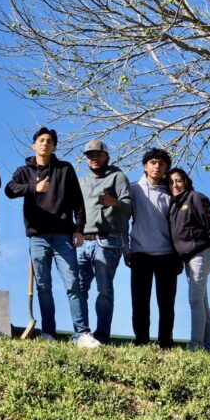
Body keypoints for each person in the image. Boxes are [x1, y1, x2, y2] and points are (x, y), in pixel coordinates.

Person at [5, 127, 101, 348]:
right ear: (34, 145)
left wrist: (79, 229)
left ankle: (81, 333)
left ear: (55, 146)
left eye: (49, 141)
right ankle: (49, 333)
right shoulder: (24, 171)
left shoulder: (64, 169)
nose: (45, 143)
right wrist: (33, 188)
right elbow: (10, 190)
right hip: (37, 236)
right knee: (44, 287)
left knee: (72, 284)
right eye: (41, 140)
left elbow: (78, 201)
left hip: (63, 235)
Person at [77, 139, 132, 344]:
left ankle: (102, 335)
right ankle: (82, 333)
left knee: (104, 290)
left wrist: (114, 203)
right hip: (83, 241)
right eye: (90, 155)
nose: (94, 158)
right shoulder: (82, 182)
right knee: (79, 288)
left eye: (98, 154)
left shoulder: (117, 177)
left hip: (107, 241)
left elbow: (129, 207)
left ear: (106, 156)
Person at [167, 168, 210, 351]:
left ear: (186, 181)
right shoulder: (174, 206)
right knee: (201, 301)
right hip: (187, 258)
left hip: (201, 252)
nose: (175, 185)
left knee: (194, 300)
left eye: (178, 181)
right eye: (171, 182)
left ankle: (195, 345)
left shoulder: (195, 198)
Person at [127, 148, 181, 348]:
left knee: (167, 304)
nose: (157, 166)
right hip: (140, 252)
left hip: (167, 255)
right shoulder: (134, 189)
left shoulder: (172, 192)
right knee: (140, 302)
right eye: (153, 162)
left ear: (166, 168)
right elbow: (123, 219)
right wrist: (127, 249)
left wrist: (179, 257)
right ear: (145, 166)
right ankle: (141, 340)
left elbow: (180, 227)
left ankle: (166, 342)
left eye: (161, 164)